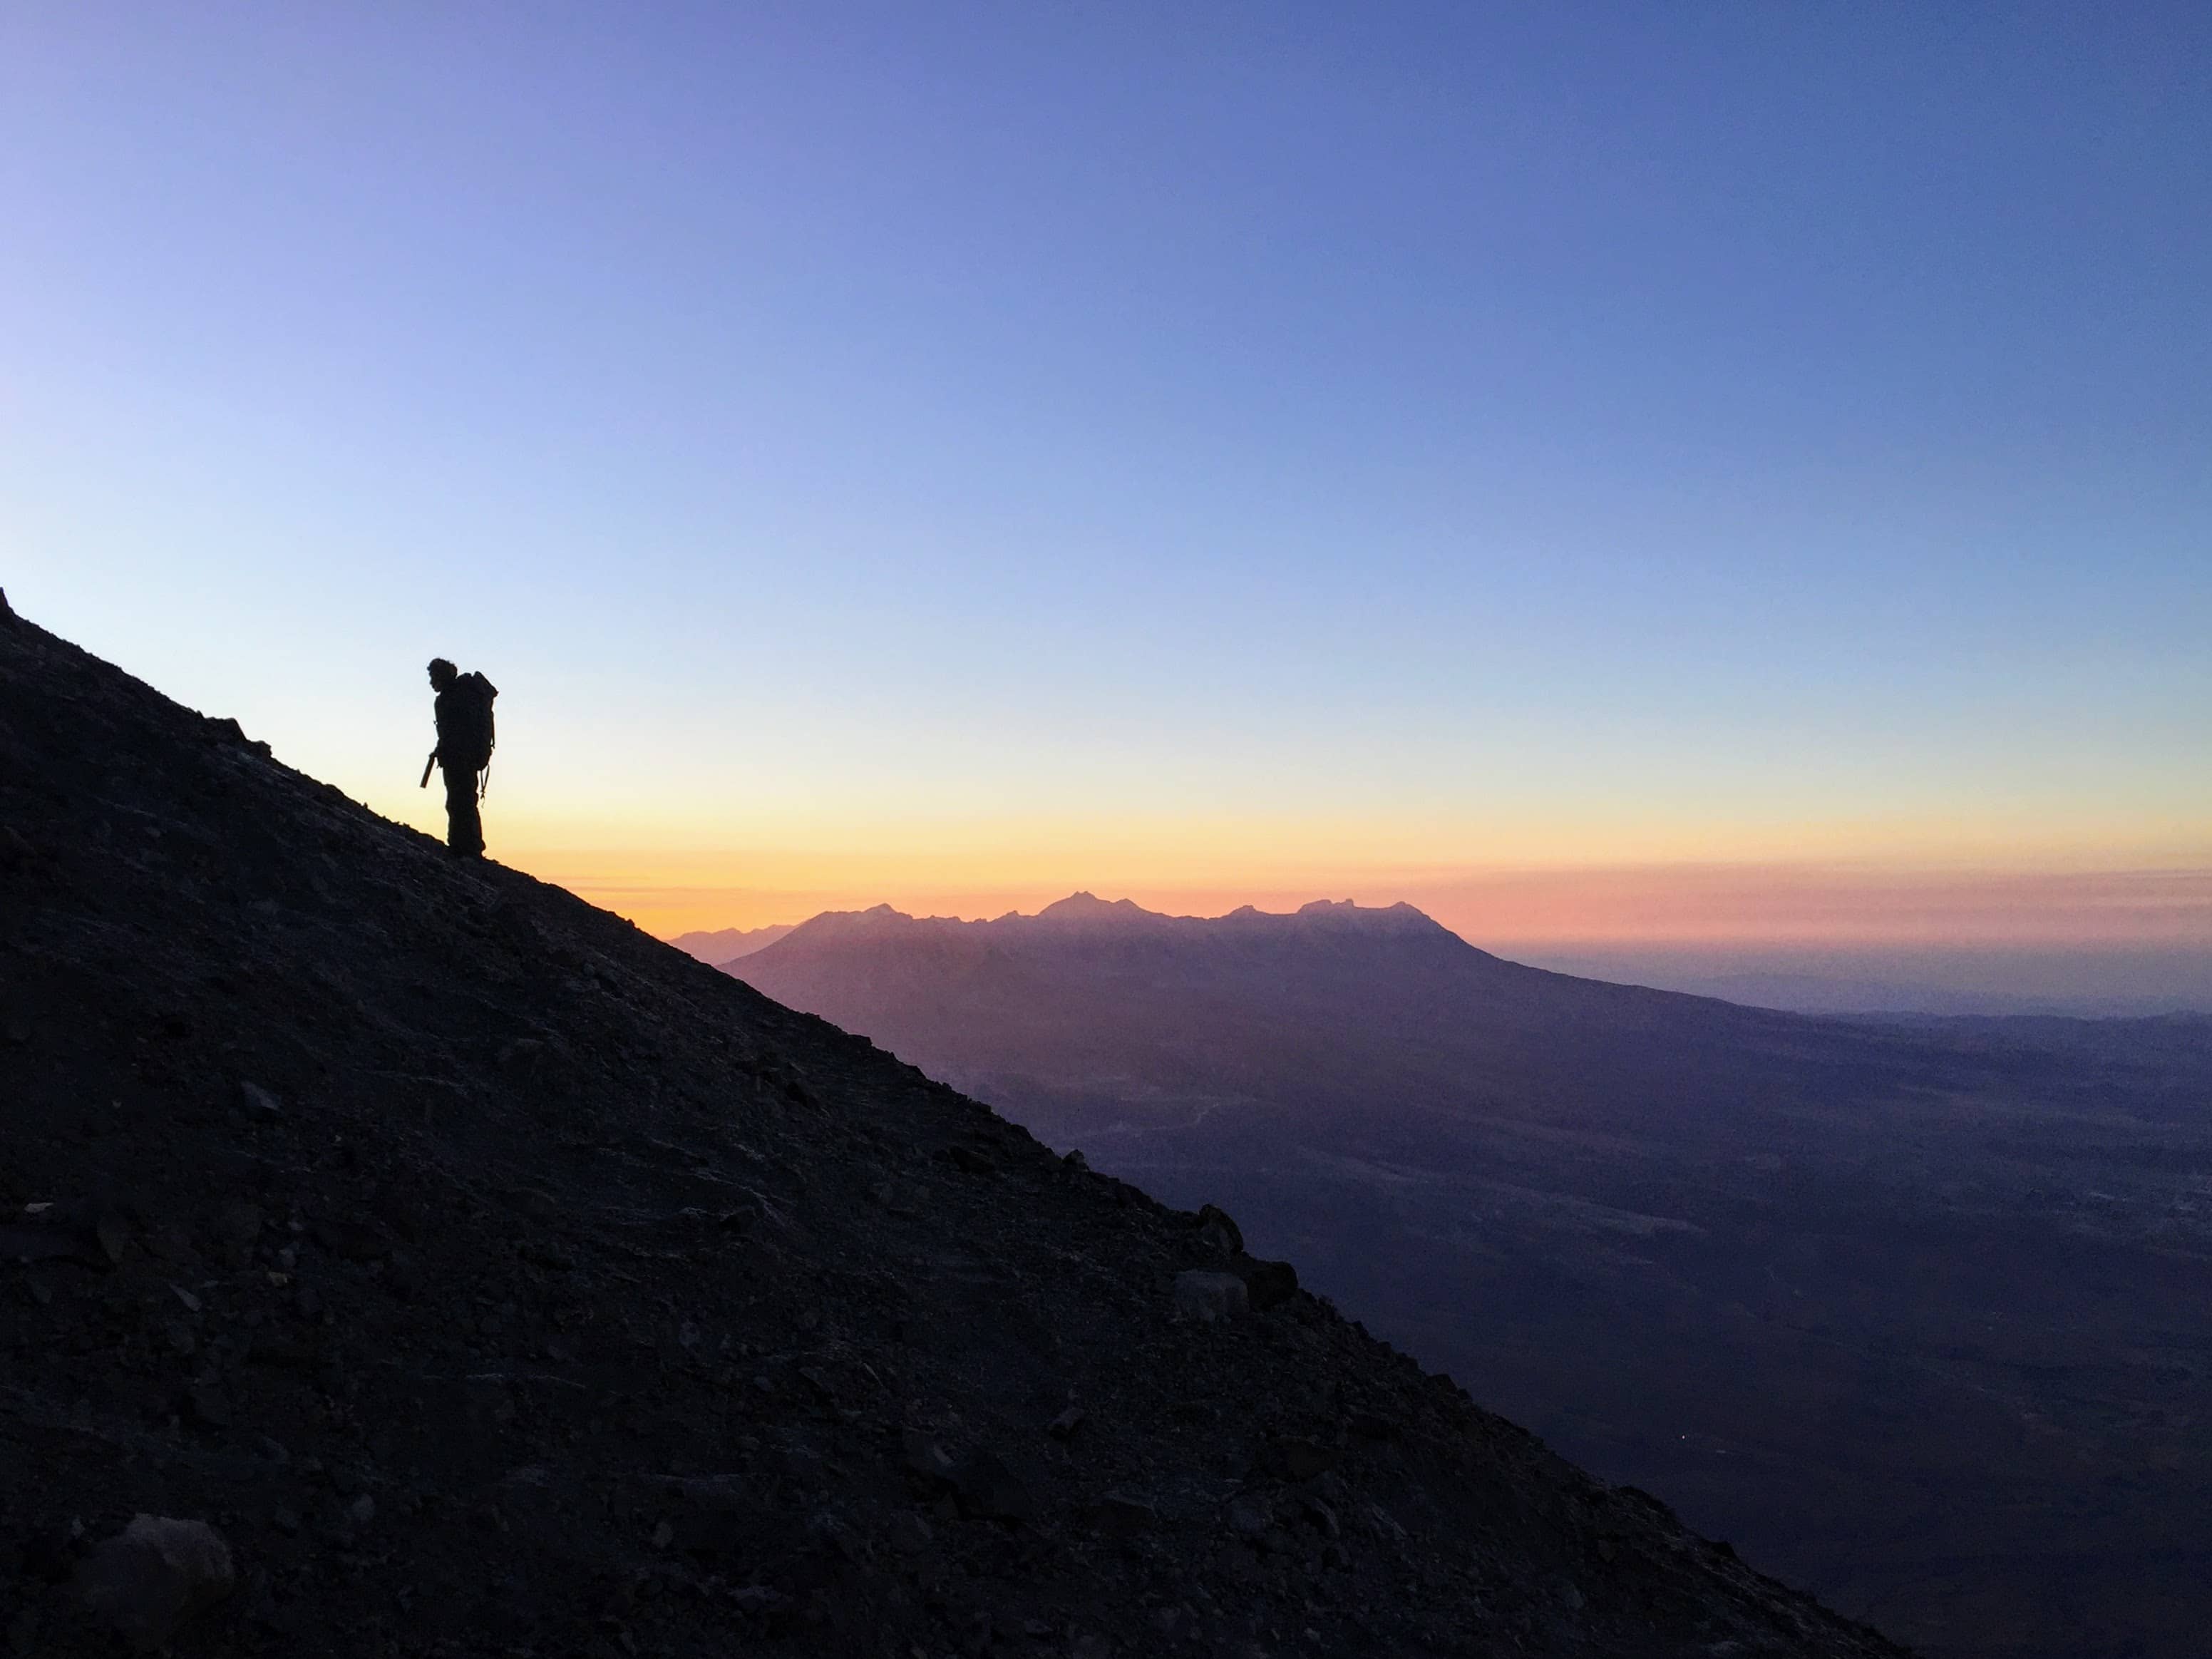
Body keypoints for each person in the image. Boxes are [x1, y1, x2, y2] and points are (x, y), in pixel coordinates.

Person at [426, 657, 497, 858]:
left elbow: (453, 730)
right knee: (464, 800)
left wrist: (446, 749)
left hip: (459, 758)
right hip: (466, 756)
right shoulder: (463, 695)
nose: (431, 682)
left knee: (459, 802)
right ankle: (468, 844)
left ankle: (465, 847)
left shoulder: (450, 698)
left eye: (433, 677)